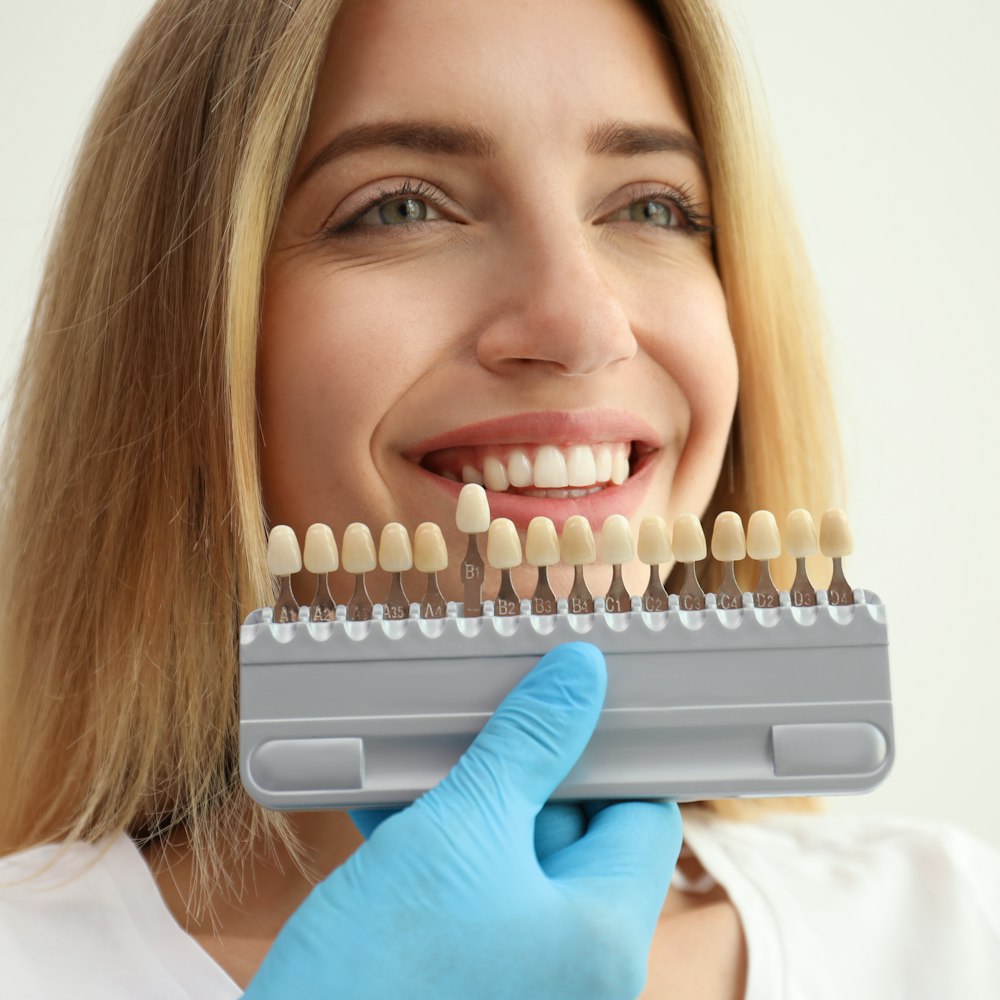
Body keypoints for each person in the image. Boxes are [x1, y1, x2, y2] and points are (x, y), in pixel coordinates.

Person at [0, 0, 997, 997]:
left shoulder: (953, 928)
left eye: (651, 206)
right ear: (187, 338)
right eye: (400, 205)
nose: (576, 323)